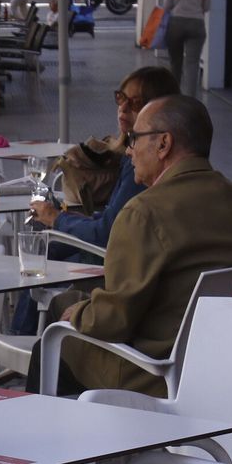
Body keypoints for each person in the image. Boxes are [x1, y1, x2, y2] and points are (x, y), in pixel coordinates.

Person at [49, 94, 232, 397]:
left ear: (163, 144)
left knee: (56, 331)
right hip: (228, 369)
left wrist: (79, 312)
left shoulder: (144, 212)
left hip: (155, 374)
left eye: (134, 138)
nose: (128, 150)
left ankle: (53, 424)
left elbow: (113, 321)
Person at [11, 67, 179, 334]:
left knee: (43, 252)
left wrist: (57, 219)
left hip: (115, 269)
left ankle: (23, 339)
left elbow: (109, 234)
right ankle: (23, 337)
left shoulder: (144, 172)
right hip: (128, 273)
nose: (123, 109)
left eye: (135, 103)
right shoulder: (225, 200)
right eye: (120, 98)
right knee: (49, 247)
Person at [162, 0, 210, 94]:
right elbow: (207, 6)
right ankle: (190, 99)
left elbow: (167, 5)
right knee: (192, 63)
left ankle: (174, 95)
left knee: (175, 63)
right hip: (196, 24)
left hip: (176, 23)